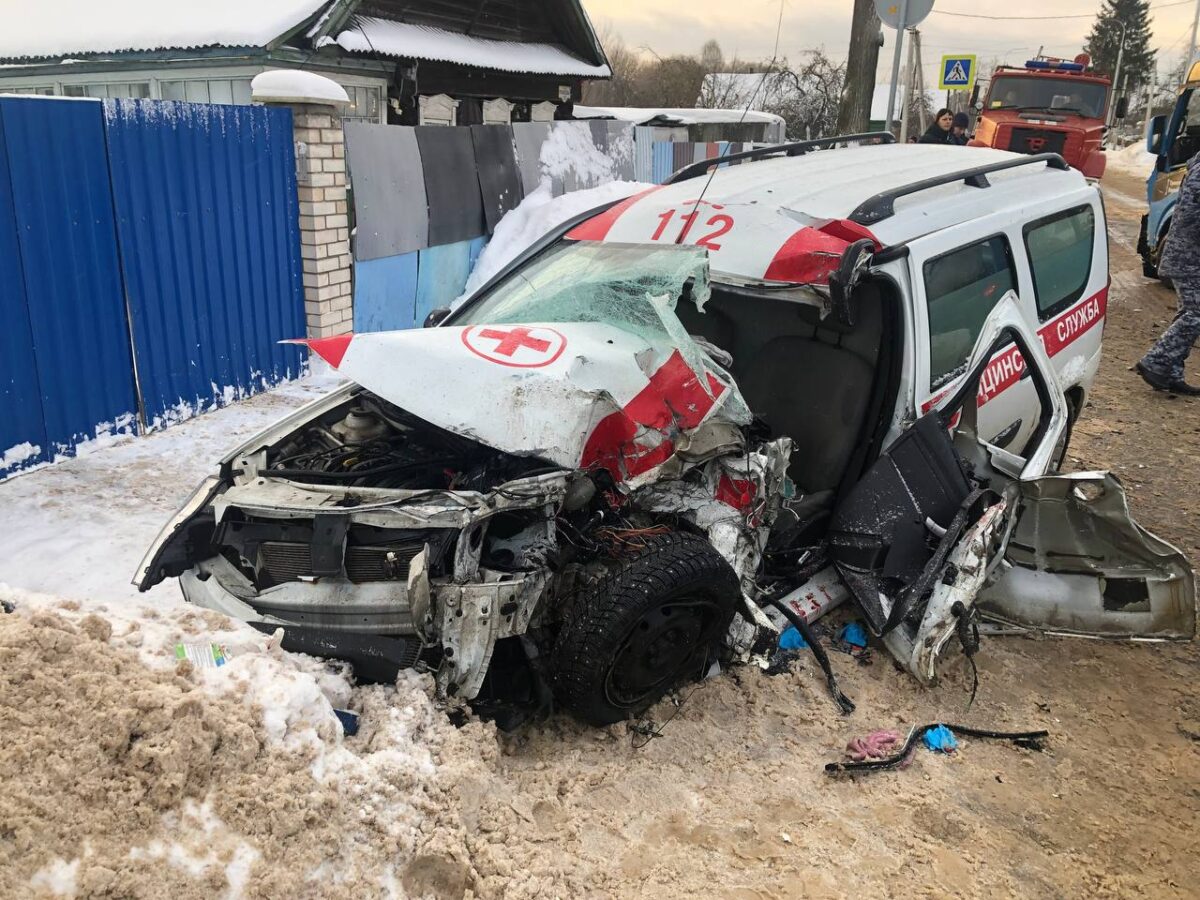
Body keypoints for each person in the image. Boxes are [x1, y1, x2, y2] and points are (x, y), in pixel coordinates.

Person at [1136, 151, 1200, 396]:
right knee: (1195, 314)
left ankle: (1170, 372)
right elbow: (1193, 215)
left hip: (1189, 254)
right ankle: (1156, 360)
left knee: (1189, 312)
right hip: (1189, 256)